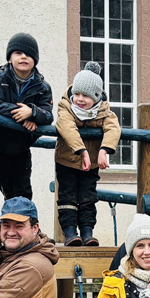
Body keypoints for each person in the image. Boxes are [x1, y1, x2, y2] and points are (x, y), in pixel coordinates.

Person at [54, 62, 120, 246]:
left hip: (90, 165)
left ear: (97, 97)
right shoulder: (65, 106)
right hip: (67, 161)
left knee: (88, 197)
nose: (79, 99)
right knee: (67, 197)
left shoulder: (103, 111)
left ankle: (87, 232)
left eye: (86, 95)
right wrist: (82, 150)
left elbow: (113, 128)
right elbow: (66, 127)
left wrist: (104, 150)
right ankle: (69, 233)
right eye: (77, 94)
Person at [0, 32, 51, 202]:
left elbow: (48, 114)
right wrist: (21, 114)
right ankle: (11, 225)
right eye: (18, 53)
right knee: (6, 189)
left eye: (29, 54)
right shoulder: (0, 78)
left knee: (23, 191)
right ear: (9, 59)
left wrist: (32, 113)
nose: (24, 57)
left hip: (22, 147)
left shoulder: (42, 87)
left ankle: (29, 225)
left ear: (35, 60)